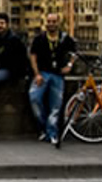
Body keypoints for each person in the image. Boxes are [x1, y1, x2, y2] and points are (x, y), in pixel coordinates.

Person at [28, 13, 77, 145]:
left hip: (58, 75)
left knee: (55, 107)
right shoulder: (40, 39)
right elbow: (33, 57)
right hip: (43, 73)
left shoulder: (65, 39)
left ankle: (52, 133)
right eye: (49, 21)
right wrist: (37, 74)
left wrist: (69, 66)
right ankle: (43, 128)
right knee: (34, 98)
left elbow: (75, 53)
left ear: (58, 22)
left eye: (54, 21)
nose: (51, 24)